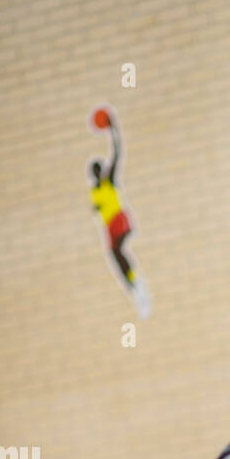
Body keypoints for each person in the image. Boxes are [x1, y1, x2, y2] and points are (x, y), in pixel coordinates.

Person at [88, 112, 151, 316]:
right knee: (116, 256)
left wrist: (113, 129)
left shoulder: (109, 181)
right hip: (109, 227)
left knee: (119, 252)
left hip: (119, 221)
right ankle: (134, 285)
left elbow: (117, 152)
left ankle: (136, 282)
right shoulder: (95, 193)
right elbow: (97, 211)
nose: (98, 172)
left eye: (99, 168)